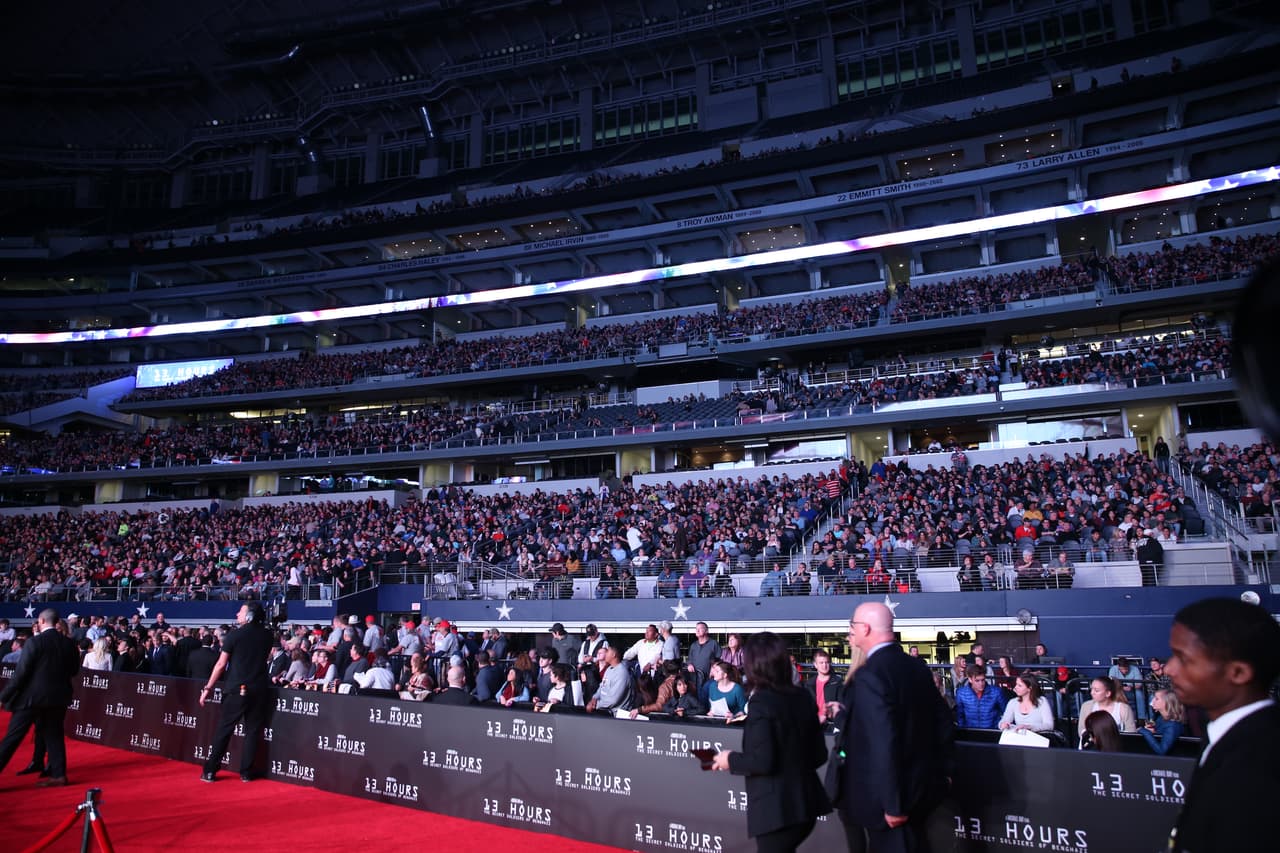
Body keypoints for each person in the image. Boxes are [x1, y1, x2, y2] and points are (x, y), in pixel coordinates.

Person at [835, 602, 955, 853]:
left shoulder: (870, 675)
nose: (851, 631)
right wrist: (945, 773)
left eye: (853, 626)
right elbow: (943, 721)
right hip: (923, 790)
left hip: (890, 804)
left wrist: (893, 804)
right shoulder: (917, 668)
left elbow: (883, 740)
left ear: (865, 628)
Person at [1167, 598, 1280, 853]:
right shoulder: (1225, 735)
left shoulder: (1260, 765)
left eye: (1183, 659)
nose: (1168, 669)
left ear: (1238, 673)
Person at [711, 632, 830, 852]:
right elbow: (819, 755)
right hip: (806, 805)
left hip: (777, 810)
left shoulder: (761, 702)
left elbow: (762, 761)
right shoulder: (802, 696)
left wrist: (729, 759)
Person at [0, 607, 82, 787]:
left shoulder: (34, 643)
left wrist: (4, 696)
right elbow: (74, 671)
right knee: (54, 735)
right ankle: (59, 775)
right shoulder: (69, 643)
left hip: (31, 698)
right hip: (58, 697)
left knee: (13, 737)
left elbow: (21, 675)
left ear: (42, 621)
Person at [198, 601, 273, 783]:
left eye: (240, 612)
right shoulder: (268, 635)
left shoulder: (235, 635)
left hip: (236, 688)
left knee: (224, 729)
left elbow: (221, 664)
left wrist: (207, 688)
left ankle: (210, 771)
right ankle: (246, 772)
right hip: (259, 689)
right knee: (253, 731)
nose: (237, 615)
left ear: (249, 616)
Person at [1141, 688, 1186, 755]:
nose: (1152, 701)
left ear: (1166, 702)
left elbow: (1162, 751)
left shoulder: (1172, 725)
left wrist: (1144, 732)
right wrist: (1153, 732)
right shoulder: (1160, 717)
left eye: (1156, 699)